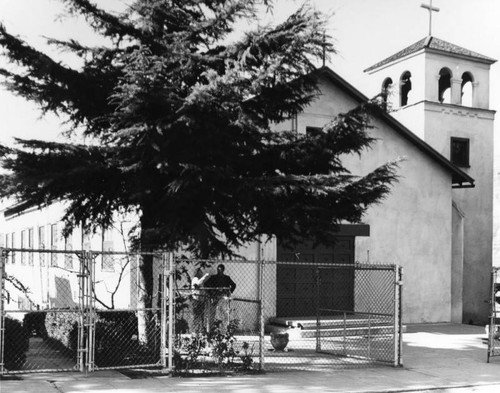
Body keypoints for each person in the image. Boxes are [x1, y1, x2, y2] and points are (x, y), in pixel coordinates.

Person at [203, 264, 236, 330]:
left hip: (223, 297)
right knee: (213, 313)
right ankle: (212, 328)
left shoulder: (227, 278)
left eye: (220, 270)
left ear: (223, 270)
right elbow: (205, 284)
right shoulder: (213, 277)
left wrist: (229, 292)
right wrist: (210, 293)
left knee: (224, 312)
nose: (219, 272)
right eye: (218, 270)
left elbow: (234, 285)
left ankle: (224, 328)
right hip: (214, 296)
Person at [190, 268, 209, 333]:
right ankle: (195, 330)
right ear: (198, 272)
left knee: (201, 316)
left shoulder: (199, 280)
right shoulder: (195, 279)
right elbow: (198, 283)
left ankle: (201, 330)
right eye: (200, 272)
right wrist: (205, 276)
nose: (202, 273)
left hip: (200, 300)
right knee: (196, 316)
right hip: (196, 300)